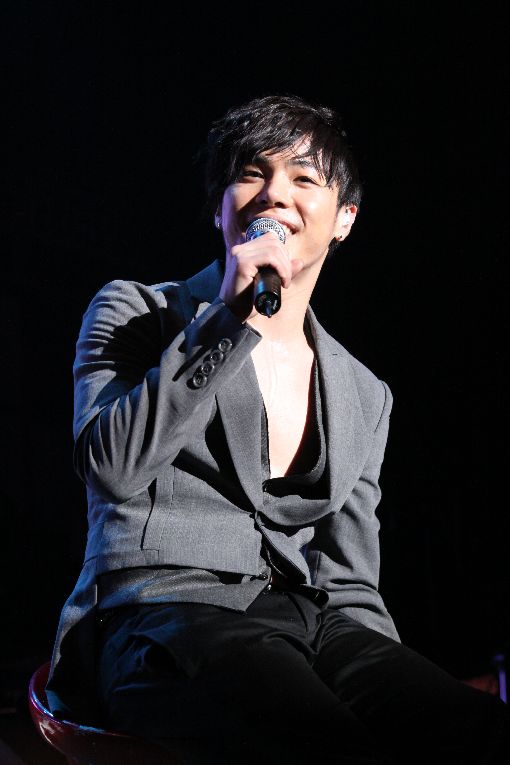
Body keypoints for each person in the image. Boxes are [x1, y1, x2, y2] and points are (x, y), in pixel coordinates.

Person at [46, 94, 509, 764]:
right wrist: (228, 321)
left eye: (303, 177)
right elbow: (111, 468)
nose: (274, 194)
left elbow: (350, 581)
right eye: (251, 173)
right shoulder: (138, 311)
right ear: (219, 207)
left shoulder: (362, 392)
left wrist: (384, 679)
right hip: (163, 613)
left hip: (309, 625)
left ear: (345, 218)